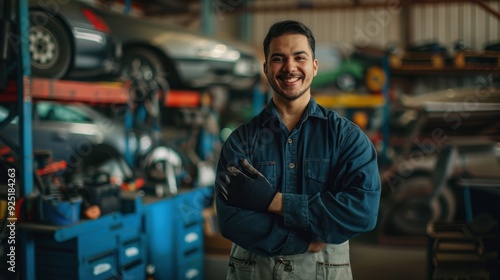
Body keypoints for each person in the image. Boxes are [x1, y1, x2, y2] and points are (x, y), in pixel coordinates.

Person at [215, 20, 381, 280]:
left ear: (314, 67)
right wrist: (302, 242)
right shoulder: (241, 141)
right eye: (278, 58)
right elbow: (231, 219)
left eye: (299, 57)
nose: (289, 67)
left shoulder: (346, 139)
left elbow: (362, 211)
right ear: (266, 68)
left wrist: (273, 201)